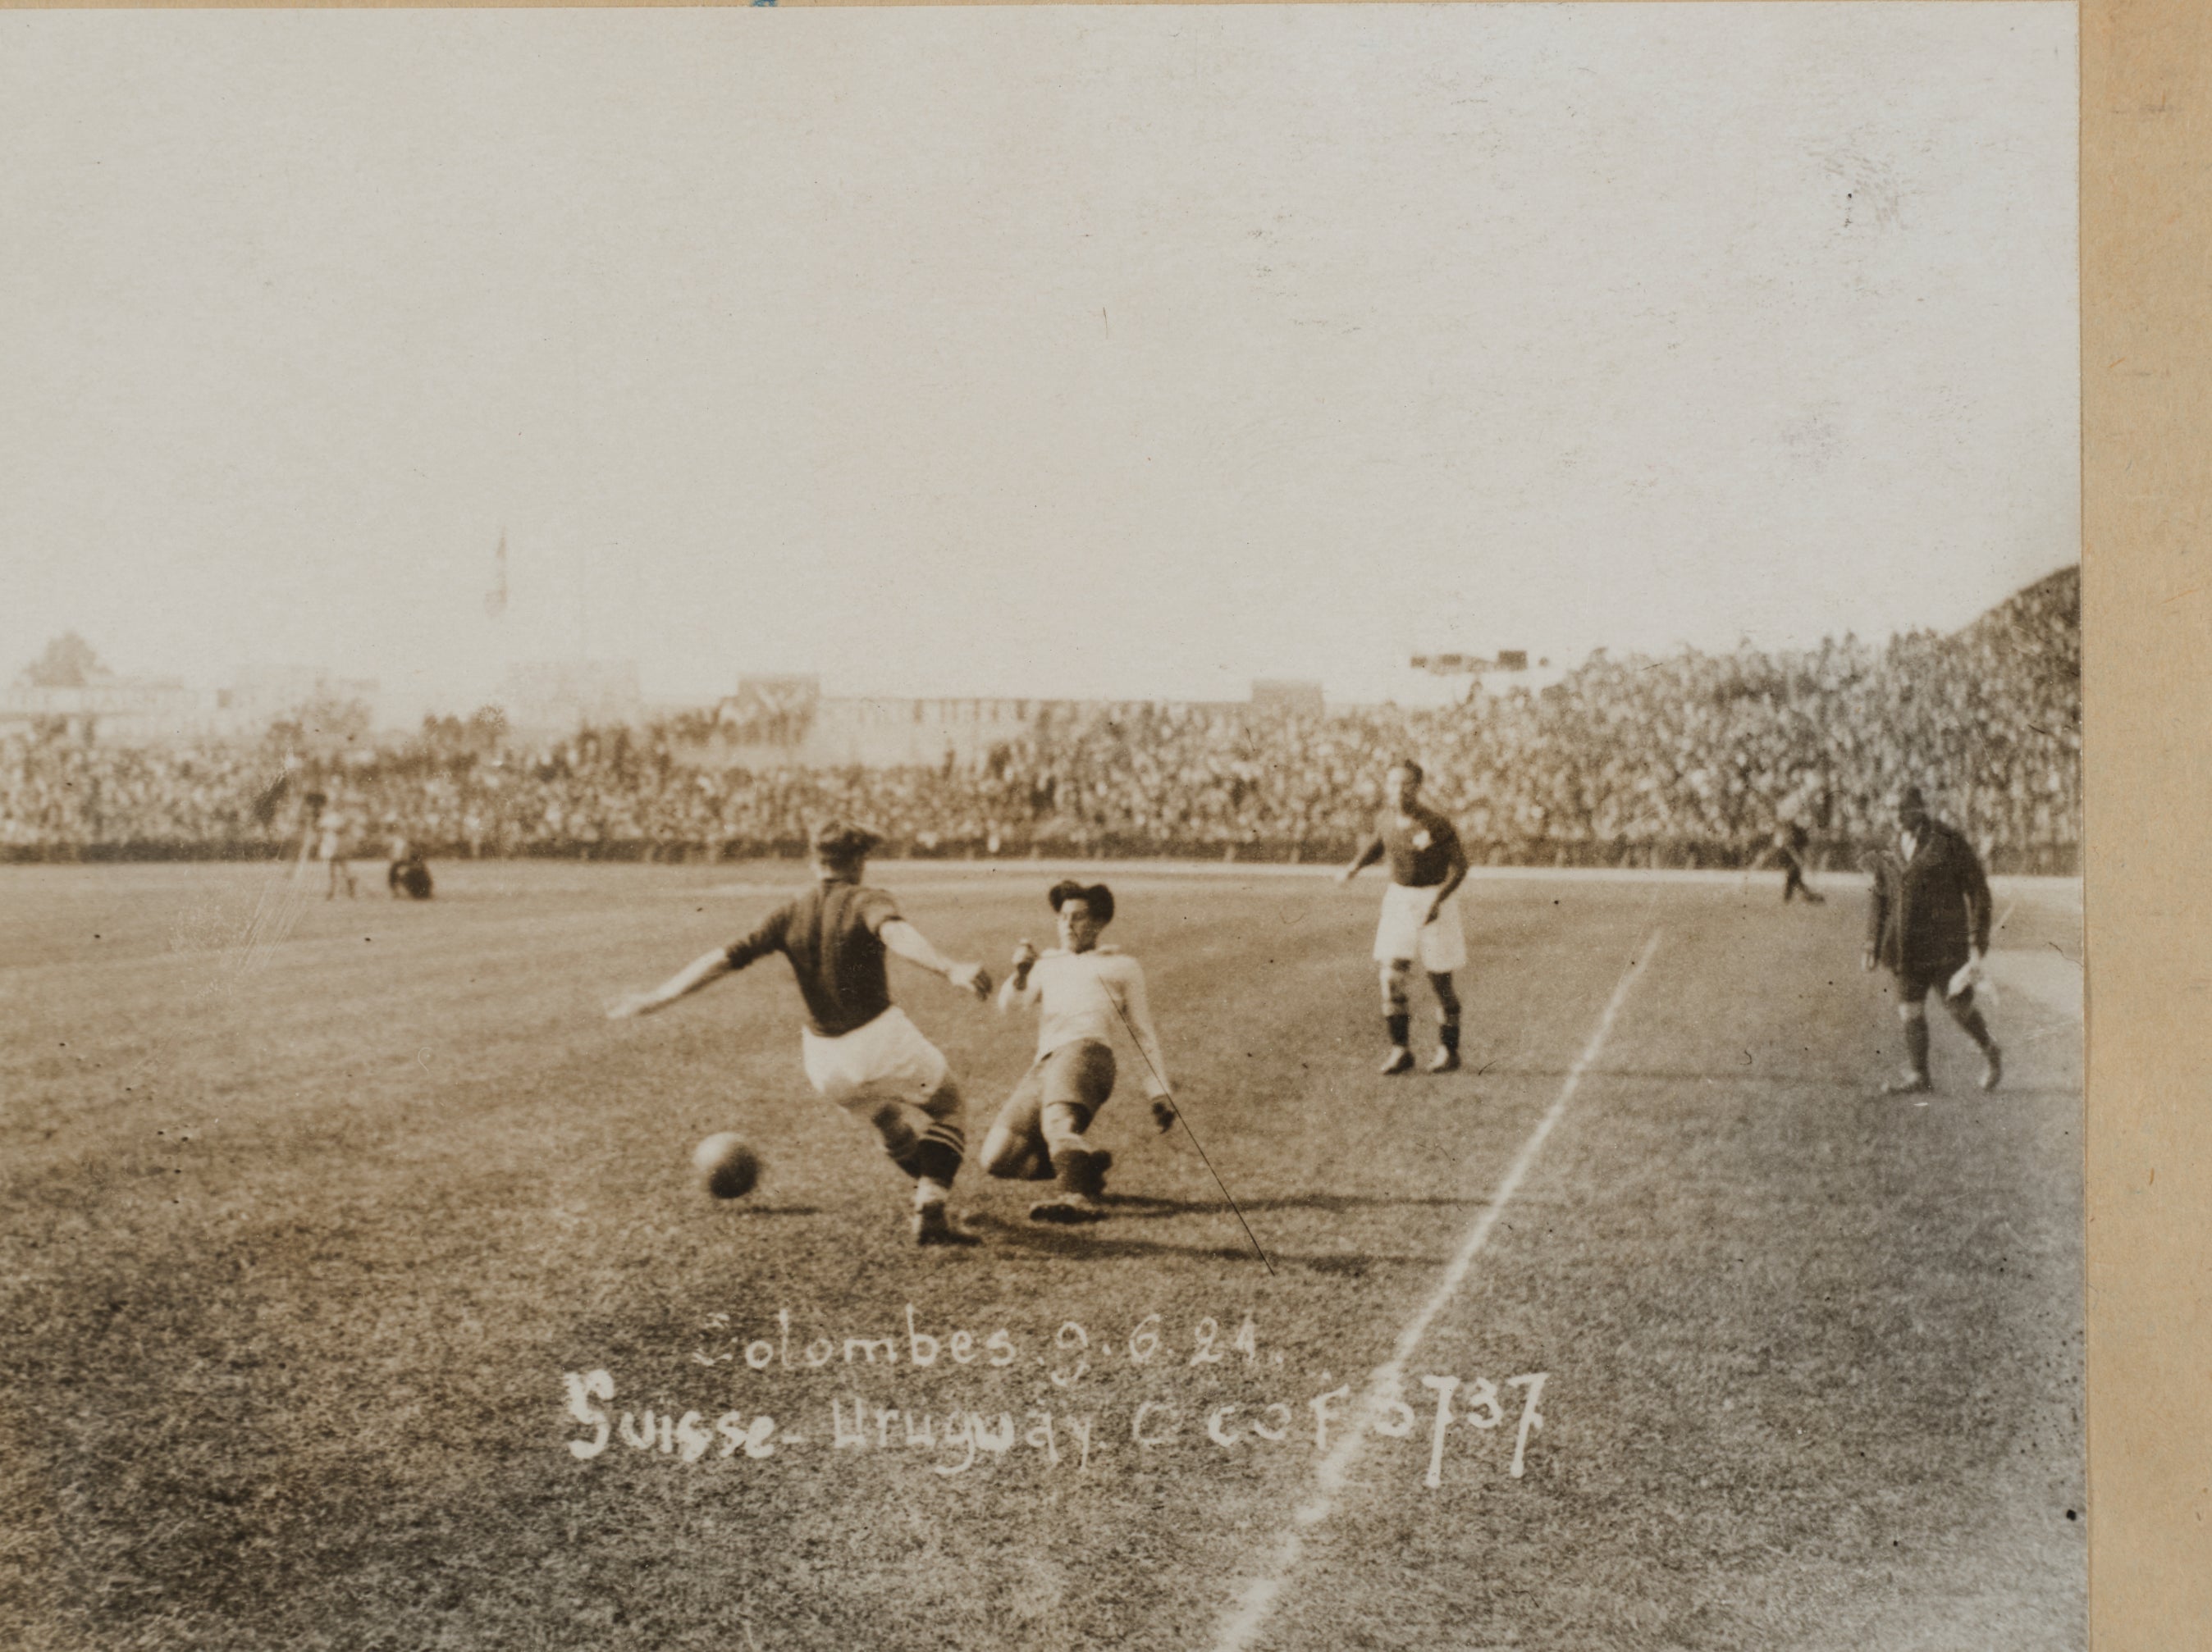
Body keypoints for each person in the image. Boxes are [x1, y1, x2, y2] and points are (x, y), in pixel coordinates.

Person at [608, 820, 993, 1245]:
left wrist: (656, 997)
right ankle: (932, 1203)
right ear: (860, 861)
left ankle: (927, 1192)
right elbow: (895, 933)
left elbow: (723, 958)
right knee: (950, 1105)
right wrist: (951, 967)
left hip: (826, 1063)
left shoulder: (792, 911)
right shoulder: (867, 898)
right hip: (879, 1038)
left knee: (888, 1122)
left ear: (814, 861)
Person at [981, 880, 1177, 1224]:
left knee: (1057, 1123)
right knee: (997, 1159)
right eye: (1063, 917)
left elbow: (1142, 1031)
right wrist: (1021, 972)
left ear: (1099, 923)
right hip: (1046, 1064)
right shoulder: (1046, 963)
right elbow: (1010, 1008)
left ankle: (1077, 1196)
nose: (1068, 924)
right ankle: (1083, 1167)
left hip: (1088, 1053)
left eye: (1079, 917)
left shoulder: (1122, 966)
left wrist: (1158, 1090)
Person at [1862, 786, 2002, 1094]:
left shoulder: (1948, 841)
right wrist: (1872, 942)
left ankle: (1990, 1050)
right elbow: (1879, 895)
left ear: (1919, 808)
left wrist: (1978, 939)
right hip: (1904, 946)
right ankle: (1919, 1076)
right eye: (1890, 809)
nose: (1895, 815)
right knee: (1909, 1010)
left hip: (1944, 947)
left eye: (1901, 808)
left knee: (1958, 1009)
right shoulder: (1890, 844)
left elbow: (1978, 889)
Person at [1339, 759, 1471, 1075]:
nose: (1399, 791)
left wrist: (1438, 900)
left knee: (1440, 982)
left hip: (1434, 900)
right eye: (1394, 784)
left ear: (1418, 788)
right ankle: (1401, 1050)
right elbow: (1378, 844)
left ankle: (1449, 1051)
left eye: (1406, 785)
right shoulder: (1385, 819)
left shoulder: (1437, 823)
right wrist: (1355, 866)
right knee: (1391, 977)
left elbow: (1460, 866)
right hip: (1398, 900)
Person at [1762, 816, 1825, 904]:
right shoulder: (1797, 833)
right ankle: (1808, 896)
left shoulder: (1800, 835)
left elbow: (1798, 848)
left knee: (1793, 878)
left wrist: (1800, 859)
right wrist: (1798, 859)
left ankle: (1798, 897)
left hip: (1794, 857)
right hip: (1791, 857)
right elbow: (1791, 846)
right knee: (1794, 878)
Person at [316, 795, 357, 900]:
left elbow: (341, 829)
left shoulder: (336, 817)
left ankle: (345, 887)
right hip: (331, 845)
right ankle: (337, 890)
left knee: (338, 868)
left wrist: (330, 829)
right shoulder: (329, 817)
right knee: (335, 869)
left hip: (336, 845)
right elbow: (320, 827)